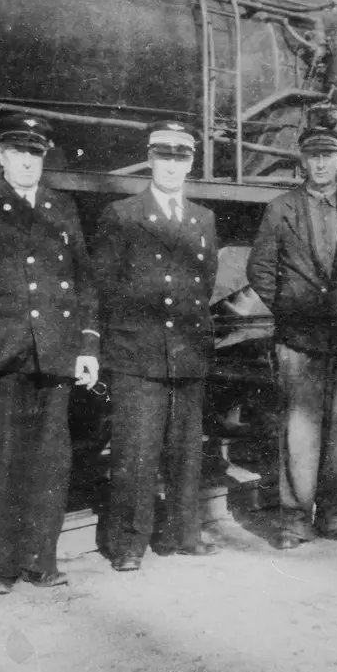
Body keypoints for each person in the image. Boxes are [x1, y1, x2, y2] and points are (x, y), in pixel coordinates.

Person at [0, 114, 100, 594]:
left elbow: (84, 281)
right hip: (1, 353)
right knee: (5, 459)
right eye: (18, 152)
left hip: (55, 353)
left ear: (43, 158)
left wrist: (88, 346)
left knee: (52, 461)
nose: (28, 160)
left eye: (36, 153)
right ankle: (3, 568)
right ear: (2, 156)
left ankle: (41, 562)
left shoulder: (63, 207)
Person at [246, 116, 337, 550]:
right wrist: (290, 307)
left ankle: (336, 514)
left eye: (329, 156)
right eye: (313, 156)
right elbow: (260, 269)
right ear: (302, 161)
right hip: (299, 338)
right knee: (299, 431)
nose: (321, 164)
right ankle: (294, 522)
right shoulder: (280, 209)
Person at [93, 121, 220, 571]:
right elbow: (104, 287)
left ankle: (183, 534)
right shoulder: (122, 214)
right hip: (137, 353)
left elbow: (202, 285)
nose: (171, 166)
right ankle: (129, 543)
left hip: (186, 351)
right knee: (135, 451)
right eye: (163, 156)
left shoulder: (202, 219)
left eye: (180, 158)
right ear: (150, 159)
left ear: (190, 164)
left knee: (186, 452)